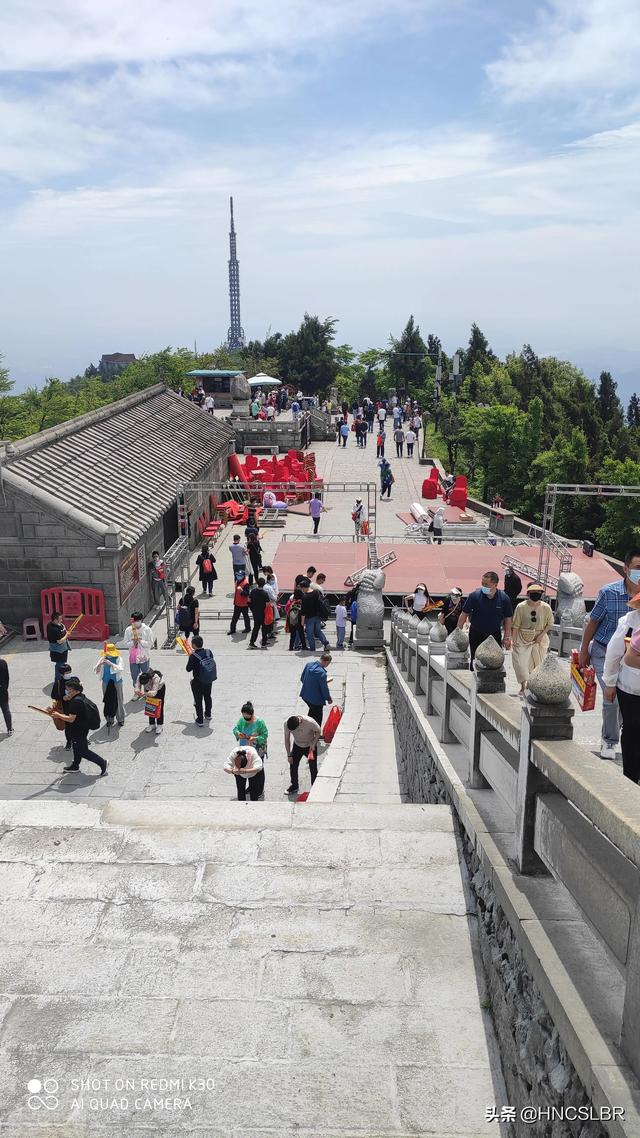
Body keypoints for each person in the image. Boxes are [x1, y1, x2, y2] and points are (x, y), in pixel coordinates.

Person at [579, 549, 640, 759]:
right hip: (604, 651)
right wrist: (585, 649)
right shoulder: (609, 592)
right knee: (611, 697)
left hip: (632, 658)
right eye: (637, 569)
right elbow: (593, 621)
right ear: (626, 569)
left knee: (627, 699)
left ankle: (624, 734)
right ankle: (609, 740)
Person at [603, 594, 640, 782]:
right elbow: (614, 653)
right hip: (629, 686)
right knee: (632, 728)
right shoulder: (628, 622)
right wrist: (609, 683)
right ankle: (630, 775)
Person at [50, 678, 108, 776]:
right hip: (82, 727)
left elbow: (71, 719)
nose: (67, 692)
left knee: (83, 751)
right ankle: (75, 766)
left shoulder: (75, 702)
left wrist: (58, 715)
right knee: (76, 747)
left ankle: (102, 763)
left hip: (78, 730)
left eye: (68, 690)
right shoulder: (80, 697)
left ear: (73, 690)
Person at [457, 571, 513, 666]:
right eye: (482, 583)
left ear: (495, 584)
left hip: (494, 634)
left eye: (486, 584)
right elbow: (464, 613)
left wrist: (507, 637)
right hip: (476, 633)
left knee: (494, 661)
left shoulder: (504, 598)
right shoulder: (474, 596)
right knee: (475, 661)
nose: (483, 586)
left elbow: (508, 618)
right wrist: (458, 630)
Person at [511, 583, 554, 694]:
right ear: (528, 593)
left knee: (538, 663)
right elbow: (515, 625)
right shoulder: (521, 607)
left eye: (538, 593)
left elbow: (550, 623)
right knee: (521, 662)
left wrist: (541, 635)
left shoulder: (546, 607)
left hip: (539, 638)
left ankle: (534, 685)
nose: (536, 595)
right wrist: (513, 639)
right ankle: (523, 684)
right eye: (533, 593)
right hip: (523, 636)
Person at [233, 701, 268, 797]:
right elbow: (236, 729)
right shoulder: (241, 721)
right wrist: (238, 733)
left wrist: (255, 738)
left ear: (251, 715)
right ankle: (251, 787)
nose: (245, 720)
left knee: (258, 769)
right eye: (244, 717)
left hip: (257, 749)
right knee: (248, 766)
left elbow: (265, 735)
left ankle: (259, 790)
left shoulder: (259, 722)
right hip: (245, 748)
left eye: (247, 718)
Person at [284, 714, 322, 795]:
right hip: (297, 745)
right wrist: (289, 755)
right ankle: (294, 785)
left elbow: (318, 731)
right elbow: (287, 739)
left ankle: (314, 787)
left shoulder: (310, 722)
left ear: (299, 724)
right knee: (293, 765)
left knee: (313, 768)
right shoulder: (287, 723)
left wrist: (314, 743)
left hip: (310, 746)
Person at [186, 634, 217, 725]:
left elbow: (188, 669)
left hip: (197, 681)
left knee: (198, 699)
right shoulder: (209, 652)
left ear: (194, 645)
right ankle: (208, 714)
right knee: (208, 696)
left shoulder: (193, 656)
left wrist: (190, 658)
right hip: (208, 679)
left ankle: (200, 720)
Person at [94, 643, 125, 728]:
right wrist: (100, 664)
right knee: (108, 700)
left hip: (116, 682)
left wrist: (111, 664)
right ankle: (109, 719)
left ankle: (120, 718)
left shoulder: (118, 658)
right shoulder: (103, 658)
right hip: (106, 682)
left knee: (119, 700)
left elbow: (120, 668)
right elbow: (96, 670)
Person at [299, 653, 333, 731]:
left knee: (312, 712)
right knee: (318, 717)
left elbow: (302, 678)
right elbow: (324, 688)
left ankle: (307, 728)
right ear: (326, 662)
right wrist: (328, 698)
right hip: (316, 700)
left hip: (305, 695)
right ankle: (315, 733)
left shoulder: (308, 665)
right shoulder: (322, 673)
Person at [120, 612, 154, 687]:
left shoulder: (147, 630)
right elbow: (126, 643)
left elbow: (150, 643)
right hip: (133, 657)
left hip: (144, 656)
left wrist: (140, 641)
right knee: (135, 676)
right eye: (134, 621)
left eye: (137, 621)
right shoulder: (128, 630)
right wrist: (133, 643)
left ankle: (147, 691)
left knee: (146, 675)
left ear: (141, 620)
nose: (136, 623)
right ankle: (137, 692)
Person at [134, 669, 165, 734]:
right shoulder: (140, 676)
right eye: (143, 684)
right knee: (150, 705)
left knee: (159, 706)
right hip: (148, 690)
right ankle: (152, 724)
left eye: (145, 683)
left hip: (159, 689)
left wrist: (144, 693)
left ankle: (160, 725)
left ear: (149, 679)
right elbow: (137, 686)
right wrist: (138, 691)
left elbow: (154, 692)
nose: (144, 685)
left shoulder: (155, 678)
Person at [301, 582, 330, 652]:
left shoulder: (305, 597)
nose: (302, 590)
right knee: (318, 631)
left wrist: (302, 622)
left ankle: (312, 648)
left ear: (304, 588)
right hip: (318, 616)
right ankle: (326, 643)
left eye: (302, 588)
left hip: (309, 618)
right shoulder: (316, 592)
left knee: (310, 634)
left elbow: (303, 611)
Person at [248, 577, 270, 649]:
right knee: (264, 628)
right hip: (263, 613)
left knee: (256, 628)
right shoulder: (265, 593)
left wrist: (252, 609)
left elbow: (248, 601)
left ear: (257, 583)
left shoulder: (253, 591)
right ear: (264, 584)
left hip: (255, 613)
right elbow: (267, 605)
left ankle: (252, 642)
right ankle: (264, 643)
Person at [47, 611, 69, 679]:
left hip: (63, 649)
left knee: (62, 663)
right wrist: (67, 635)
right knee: (59, 665)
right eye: (60, 619)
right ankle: (58, 680)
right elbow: (59, 641)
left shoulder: (56, 625)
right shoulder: (53, 629)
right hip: (58, 650)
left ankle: (61, 677)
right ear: (55, 620)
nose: (61, 620)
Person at [0, 654, 12, 736]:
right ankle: (9, 729)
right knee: (6, 710)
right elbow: (7, 677)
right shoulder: (3, 662)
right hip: (2, 691)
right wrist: (5, 689)